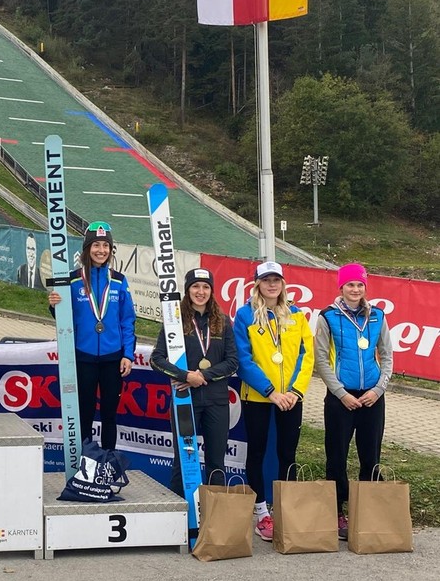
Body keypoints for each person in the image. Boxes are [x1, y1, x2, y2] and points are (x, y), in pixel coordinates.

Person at [233, 260, 314, 542]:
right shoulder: (245, 315)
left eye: (276, 280)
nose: (271, 285)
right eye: (266, 280)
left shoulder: (296, 315)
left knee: (287, 453)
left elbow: (307, 356)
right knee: (256, 452)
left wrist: (295, 392)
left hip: (291, 398)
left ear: (283, 284)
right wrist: (271, 392)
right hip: (258, 396)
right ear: (257, 284)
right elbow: (243, 360)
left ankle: (285, 509)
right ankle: (261, 513)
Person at [315, 263, 392, 540]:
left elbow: (387, 356)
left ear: (365, 288)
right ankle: (336, 512)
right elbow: (321, 359)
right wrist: (341, 393)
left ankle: (369, 512)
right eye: (350, 285)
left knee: (370, 457)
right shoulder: (328, 316)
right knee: (336, 457)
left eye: (359, 285)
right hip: (341, 398)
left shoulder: (378, 316)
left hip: (372, 397)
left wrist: (378, 390)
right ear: (341, 287)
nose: (355, 289)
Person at [48, 222, 136, 450]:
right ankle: (83, 466)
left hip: (112, 359)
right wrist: (54, 305)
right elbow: (64, 319)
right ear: (87, 248)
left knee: (109, 415)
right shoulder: (72, 279)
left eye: (105, 246)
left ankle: (107, 464)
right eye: (96, 245)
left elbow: (127, 321)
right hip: (83, 357)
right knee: (84, 414)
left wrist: (128, 354)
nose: (101, 250)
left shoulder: (118, 280)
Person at [151, 268, 238, 494]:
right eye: (195, 286)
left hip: (217, 402)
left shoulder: (223, 322)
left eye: (206, 287)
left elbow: (233, 362)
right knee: (184, 459)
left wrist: (202, 377)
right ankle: (183, 518)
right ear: (187, 290)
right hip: (184, 401)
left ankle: (213, 519)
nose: (201, 292)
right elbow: (156, 359)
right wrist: (185, 376)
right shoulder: (175, 321)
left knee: (216, 462)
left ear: (212, 291)